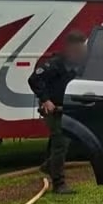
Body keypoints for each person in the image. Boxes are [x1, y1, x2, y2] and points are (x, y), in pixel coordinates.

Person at [28, 31, 87, 195]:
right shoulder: (55, 63)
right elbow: (34, 79)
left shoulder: (79, 64)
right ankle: (59, 184)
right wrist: (45, 100)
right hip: (54, 110)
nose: (83, 53)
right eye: (80, 50)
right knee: (61, 143)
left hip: (67, 109)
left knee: (64, 141)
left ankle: (50, 165)